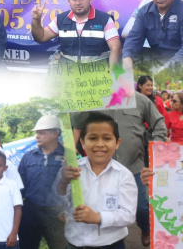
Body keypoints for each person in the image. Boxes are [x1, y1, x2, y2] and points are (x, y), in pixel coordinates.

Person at [73, 86, 165, 248]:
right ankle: (102, 238)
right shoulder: (96, 97)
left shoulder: (139, 99)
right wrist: (86, 97)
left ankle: (145, 229)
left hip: (134, 164)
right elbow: (77, 121)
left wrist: (156, 148)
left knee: (142, 207)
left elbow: (158, 122)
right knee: (102, 203)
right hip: (102, 167)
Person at [57, 112, 137, 249]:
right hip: (75, 244)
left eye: (107, 138)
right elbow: (58, 207)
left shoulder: (124, 175)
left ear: (117, 143)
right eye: (92, 138)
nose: (100, 144)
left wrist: (98, 217)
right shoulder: (71, 171)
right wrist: (63, 183)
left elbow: (128, 215)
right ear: (82, 142)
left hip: (112, 245)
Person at [30, 0, 122, 65]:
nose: (78, 2)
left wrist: (113, 75)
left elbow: (116, 48)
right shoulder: (60, 19)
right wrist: (36, 20)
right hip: (68, 77)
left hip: (96, 78)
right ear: (69, 1)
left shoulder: (105, 20)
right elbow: (40, 37)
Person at [17, 115, 67, 249]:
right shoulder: (28, 156)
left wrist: (67, 211)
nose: (37, 136)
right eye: (36, 133)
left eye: (41, 133)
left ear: (55, 133)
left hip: (57, 213)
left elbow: (75, 185)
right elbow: (19, 186)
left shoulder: (67, 156)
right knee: (27, 245)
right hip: (30, 211)